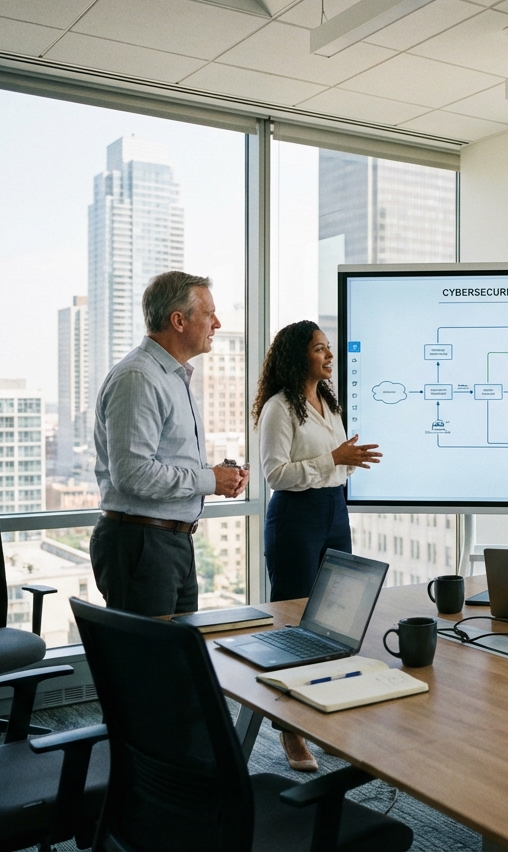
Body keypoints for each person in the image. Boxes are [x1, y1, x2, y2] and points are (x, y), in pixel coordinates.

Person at [253, 320, 382, 771]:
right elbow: (276, 475)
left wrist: (347, 463)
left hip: (333, 512)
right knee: (294, 627)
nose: (329, 356)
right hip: (295, 518)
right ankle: (291, 733)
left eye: (329, 349)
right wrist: (334, 459)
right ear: (297, 356)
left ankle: (324, 714)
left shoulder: (328, 401)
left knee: (333, 621)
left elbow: (332, 466)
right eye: (319, 349)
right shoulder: (278, 408)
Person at [90, 271, 248, 618]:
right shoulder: (139, 378)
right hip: (142, 544)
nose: (217, 323)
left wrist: (219, 477)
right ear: (178, 320)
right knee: (149, 666)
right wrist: (210, 480)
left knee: (174, 661)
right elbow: (132, 474)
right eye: (209, 314)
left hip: (171, 542)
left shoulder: (173, 377)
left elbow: (165, 461)